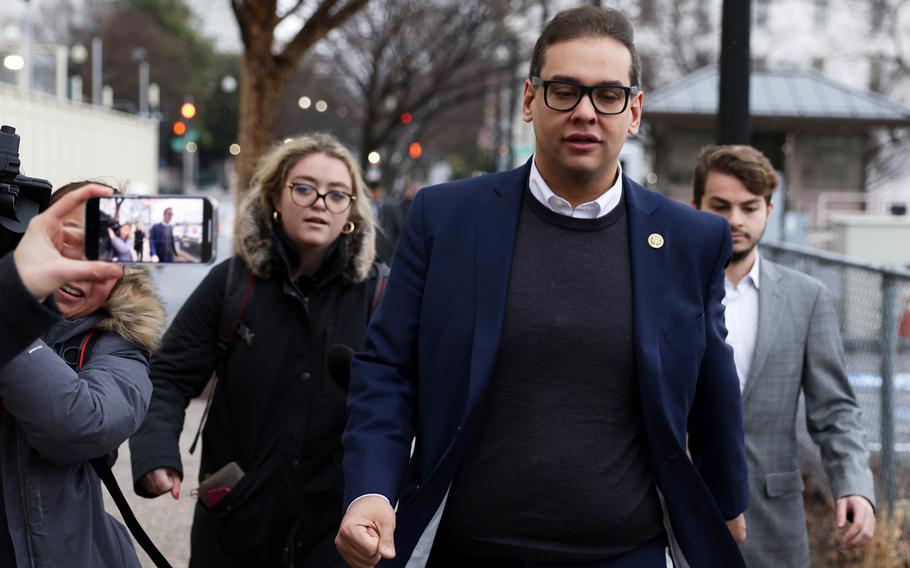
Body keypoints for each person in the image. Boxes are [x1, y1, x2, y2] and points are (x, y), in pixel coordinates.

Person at [336, 7, 748, 568]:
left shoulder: (691, 240)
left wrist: (725, 507)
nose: (585, 112)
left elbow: (712, 387)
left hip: (627, 553)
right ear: (530, 100)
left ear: (634, 111)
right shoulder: (446, 219)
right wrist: (371, 490)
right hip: (467, 549)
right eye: (564, 90)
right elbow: (388, 368)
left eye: (608, 94)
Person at [129, 133, 386, 568]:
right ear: (274, 197)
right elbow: (168, 375)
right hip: (236, 525)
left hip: (335, 536)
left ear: (351, 211)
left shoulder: (381, 294)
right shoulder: (231, 284)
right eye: (303, 187)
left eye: (337, 193)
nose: (320, 201)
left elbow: (406, 403)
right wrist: (156, 453)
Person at [691, 145, 876, 567]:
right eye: (720, 205)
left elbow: (835, 411)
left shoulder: (806, 298)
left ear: (769, 210)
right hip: (676, 510)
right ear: (696, 206)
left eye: (749, 207)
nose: (735, 220)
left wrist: (854, 484)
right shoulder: (667, 293)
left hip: (773, 520)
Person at [0, 180, 165, 567]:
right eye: (67, 243)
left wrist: (8, 313)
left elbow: (80, 425)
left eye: (104, 251)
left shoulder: (121, 343)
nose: (79, 268)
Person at [1, 183, 124, 369]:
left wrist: (14, 309)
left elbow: (89, 400)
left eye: (105, 255)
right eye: (69, 241)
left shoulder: (125, 344)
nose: (80, 269)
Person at [367, 179, 404, 264]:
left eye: (376, 191)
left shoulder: (391, 208)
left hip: (387, 254)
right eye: (372, 191)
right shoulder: (364, 208)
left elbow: (400, 229)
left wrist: (393, 247)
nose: (374, 194)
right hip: (368, 252)